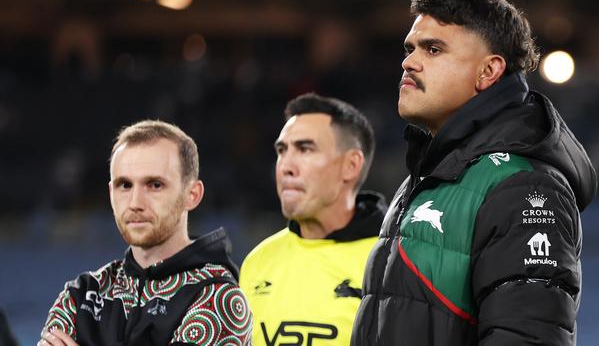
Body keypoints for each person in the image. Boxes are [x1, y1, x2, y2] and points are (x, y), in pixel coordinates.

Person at [352, 0, 597, 346]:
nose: (409, 62)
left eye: (433, 49)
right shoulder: (428, 177)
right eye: (410, 49)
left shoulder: (523, 185)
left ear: (488, 71)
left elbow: (527, 337)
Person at [40, 120, 252, 346]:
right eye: (125, 185)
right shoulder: (81, 293)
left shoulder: (218, 299)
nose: (135, 203)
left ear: (192, 195)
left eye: (154, 185)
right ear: (111, 193)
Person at [239, 93, 386, 346]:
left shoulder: (391, 262)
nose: (285, 166)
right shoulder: (257, 261)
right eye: (282, 151)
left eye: (305, 149)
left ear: (351, 165)